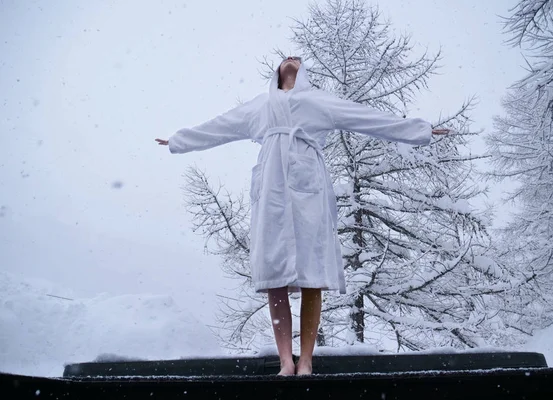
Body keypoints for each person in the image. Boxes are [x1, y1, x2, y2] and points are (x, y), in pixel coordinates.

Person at [156, 56, 449, 376]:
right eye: (286, 58)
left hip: (309, 190)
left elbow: (366, 118)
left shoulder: (317, 101)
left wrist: (419, 130)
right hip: (271, 192)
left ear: (304, 72)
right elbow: (219, 127)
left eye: (298, 59)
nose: (292, 59)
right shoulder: (259, 106)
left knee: (312, 275)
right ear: (277, 71)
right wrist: (179, 141)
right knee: (275, 276)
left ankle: (306, 358)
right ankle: (285, 359)